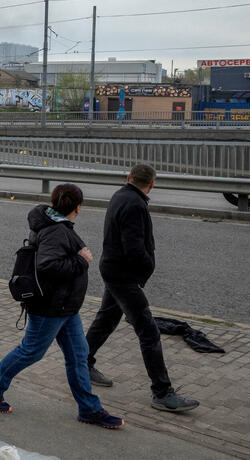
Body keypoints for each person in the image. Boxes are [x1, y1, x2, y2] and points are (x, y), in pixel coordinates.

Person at [0, 184, 124, 429]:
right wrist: (80, 260)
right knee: (31, 351)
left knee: (78, 356)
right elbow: (47, 265)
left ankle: (89, 409)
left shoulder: (54, 224)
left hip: (66, 306)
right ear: (78, 207)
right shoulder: (55, 230)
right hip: (50, 306)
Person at [84, 164, 200, 413]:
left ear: (129, 178)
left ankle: (82, 362)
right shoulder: (135, 204)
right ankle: (162, 392)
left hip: (112, 269)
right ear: (152, 184)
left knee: (106, 320)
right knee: (149, 332)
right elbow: (134, 247)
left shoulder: (120, 195)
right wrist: (147, 268)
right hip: (123, 275)